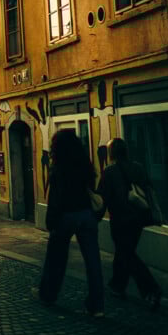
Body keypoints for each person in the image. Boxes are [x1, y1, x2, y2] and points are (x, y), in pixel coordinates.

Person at [36, 129, 104, 317]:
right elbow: (91, 187)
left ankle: (48, 295)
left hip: (66, 216)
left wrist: (51, 220)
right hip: (87, 215)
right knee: (93, 262)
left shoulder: (59, 167)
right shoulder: (85, 164)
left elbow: (56, 198)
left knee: (56, 258)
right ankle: (97, 306)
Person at [97, 137, 162, 310]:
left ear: (111, 153)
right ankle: (117, 286)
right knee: (124, 252)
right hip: (138, 219)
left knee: (127, 254)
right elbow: (148, 188)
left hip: (120, 219)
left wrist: (95, 216)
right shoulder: (138, 167)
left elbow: (103, 197)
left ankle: (151, 289)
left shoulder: (109, 172)